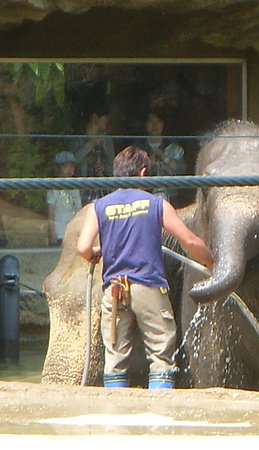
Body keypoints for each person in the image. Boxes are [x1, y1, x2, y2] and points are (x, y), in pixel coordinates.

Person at [76, 146, 214, 389]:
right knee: (161, 355)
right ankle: (159, 417)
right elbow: (190, 241)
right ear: (143, 173)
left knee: (115, 358)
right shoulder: (156, 204)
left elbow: (83, 247)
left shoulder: (99, 207)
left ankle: (114, 419)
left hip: (115, 290)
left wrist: (96, 253)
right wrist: (213, 262)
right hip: (148, 287)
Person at [137, 111, 187, 207]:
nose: (155, 125)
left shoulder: (173, 146)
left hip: (171, 196)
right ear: (145, 125)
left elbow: (182, 169)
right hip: (145, 196)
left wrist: (163, 157)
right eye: (151, 121)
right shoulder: (138, 147)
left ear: (163, 124)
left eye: (158, 121)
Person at [73, 107, 115, 205]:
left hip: (103, 188)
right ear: (95, 118)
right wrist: (90, 145)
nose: (106, 124)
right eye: (105, 120)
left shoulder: (107, 141)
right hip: (83, 189)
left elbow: (112, 168)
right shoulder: (78, 139)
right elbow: (73, 161)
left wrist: (103, 168)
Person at [47, 151, 82, 246]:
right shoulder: (53, 188)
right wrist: (52, 233)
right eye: (65, 166)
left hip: (72, 234)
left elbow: (78, 211)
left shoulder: (75, 187)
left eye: (72, 166)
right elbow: (51, 213)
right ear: (57, 168)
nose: (69, 169)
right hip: (59, 234)